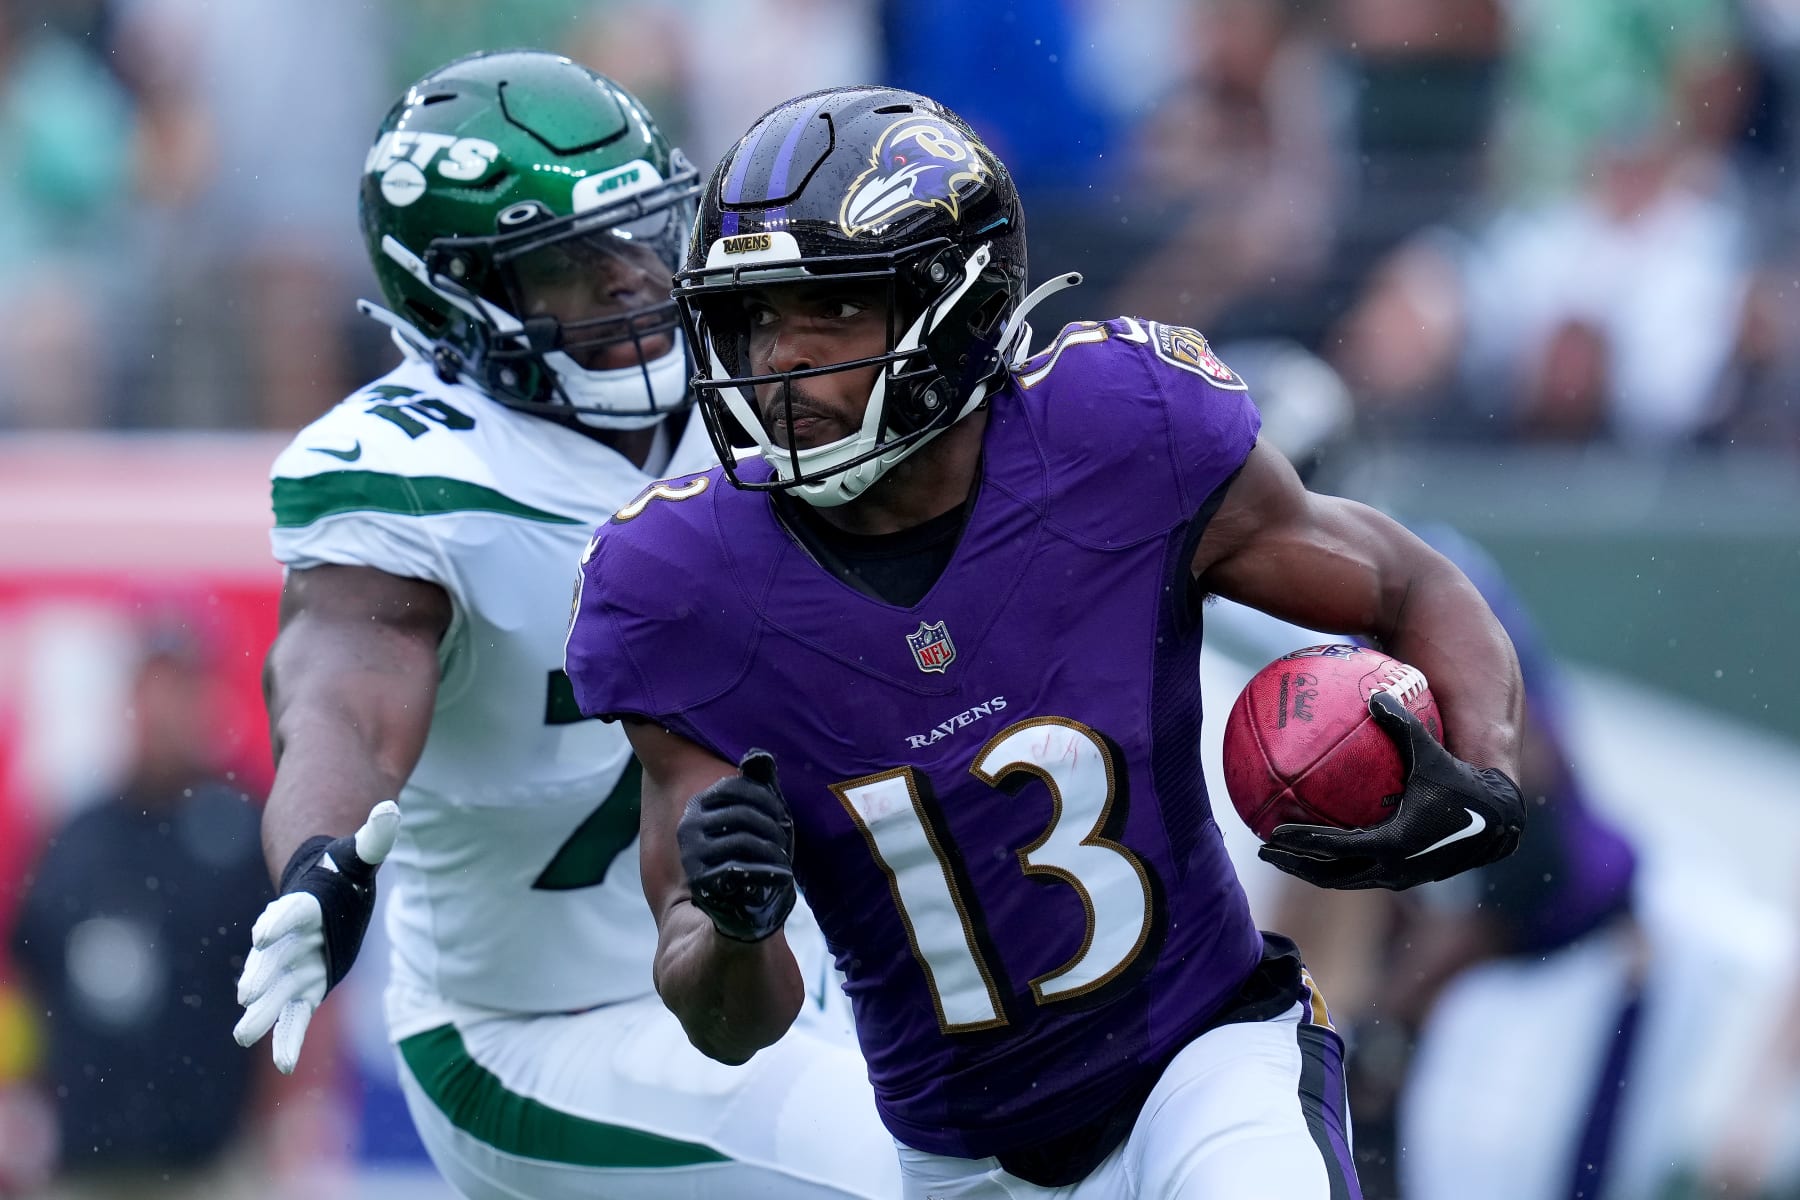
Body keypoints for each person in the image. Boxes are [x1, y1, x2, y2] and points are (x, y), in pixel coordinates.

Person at [564, 85, 1530, 1198]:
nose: (775, 356)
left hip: (1205, 1058)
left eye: (822, 311)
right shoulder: (680, 591)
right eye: (750, 317)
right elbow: (729, 1021)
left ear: (950, 300)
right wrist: (732, 927)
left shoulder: (1119, 433)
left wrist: (1484, 770)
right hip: (959, 1160)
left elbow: (1409, 582)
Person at [230, 51, 898, 1200]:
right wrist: (315, 859)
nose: (634, 284)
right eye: (572, 270)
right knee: (922, 1168)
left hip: (785, 957)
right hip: (539, 1033)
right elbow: (338, 693)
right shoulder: (414, 479)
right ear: (458, 300)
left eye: (643, 239)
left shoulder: (748, 387)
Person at [11, 628, 274, 1198]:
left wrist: (293, 1116)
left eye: (182, 689)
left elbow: (306, 980)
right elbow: (27, 972)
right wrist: (21, 1097)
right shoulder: (78, 834)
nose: (164, 709)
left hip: (211, 1157)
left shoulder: (247, 831)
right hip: (86, 1157)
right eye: (153, 688)